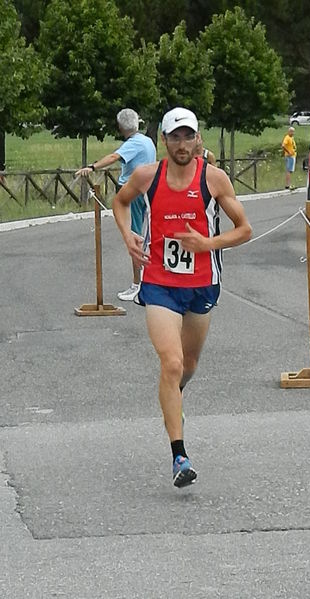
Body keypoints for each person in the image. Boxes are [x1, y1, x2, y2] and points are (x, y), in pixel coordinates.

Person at [112, 107, 252, 488]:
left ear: (197, 139)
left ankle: (173, 398)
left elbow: (245, 230)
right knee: (171, 363)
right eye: (174, 137)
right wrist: (129, 238)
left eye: (188, 136)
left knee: (187, 365)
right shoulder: (147, 176)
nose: (181, 144)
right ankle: (179, 456)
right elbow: (119, 202)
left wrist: (206, 243)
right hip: (158, 284)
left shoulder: (214, 180)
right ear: (164, 141)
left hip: (202, 285)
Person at [76, 108, 156, 301]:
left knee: (134, 236)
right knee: (144, 236)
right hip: (148, 191)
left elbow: (113, 157)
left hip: (133, 193)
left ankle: (138, 285)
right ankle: (146, 281)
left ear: (120, 127)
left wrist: (92, 167)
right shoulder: (147, 141)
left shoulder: (134, 143)